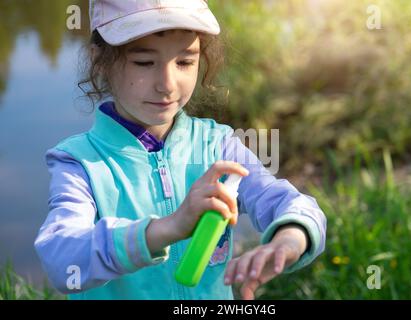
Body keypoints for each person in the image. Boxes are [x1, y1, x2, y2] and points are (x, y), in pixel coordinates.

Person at [34, 0, 326, 300]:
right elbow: (61, 259)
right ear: (100, 61)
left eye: (185, 62)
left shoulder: (218, 146)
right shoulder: (79, 163)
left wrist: (286, 241)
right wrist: (168, 228)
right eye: (145, 63)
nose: (167, 84)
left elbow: (288, 201)